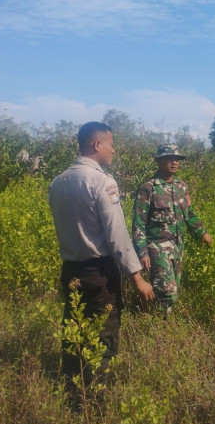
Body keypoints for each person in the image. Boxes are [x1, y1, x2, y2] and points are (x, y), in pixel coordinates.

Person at [48, 121, 155, 398]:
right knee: (102, 339)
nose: (114, 149)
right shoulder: (103, 182)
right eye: (110, 143)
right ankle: (94, 403)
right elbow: (117, 236)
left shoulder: (58, 182)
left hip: (70, 270)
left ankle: (72, 396)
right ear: (97, 145)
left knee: (75, 334)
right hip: (99, 274)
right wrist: (138, 278)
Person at [132, 144, 213, 315]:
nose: (174, 162)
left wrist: (202, 232)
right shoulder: (148, 188)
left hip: (178, 247)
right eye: (169, 158)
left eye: (177, 159)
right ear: (158, 161)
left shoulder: (182, 186)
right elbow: (139, 224)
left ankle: (159, 320)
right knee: (166, 291)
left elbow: (189, 213)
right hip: (158, 248)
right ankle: (160, 327)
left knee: (173, 290)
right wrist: (143, 253)